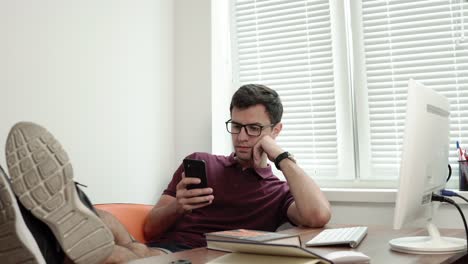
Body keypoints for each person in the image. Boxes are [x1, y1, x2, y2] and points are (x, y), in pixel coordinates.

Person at [143, 84, 331, 251]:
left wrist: (281, 156)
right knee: (114, 229)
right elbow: (150, 229)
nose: (241, 137)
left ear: (275, 131)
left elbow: (318, 215)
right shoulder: (200, 162)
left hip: (214, 258)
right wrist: (177, 207)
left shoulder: (278, 192)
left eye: (254, 128)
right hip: (166, 251)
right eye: (236, 126)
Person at [0, 122, 165, 264]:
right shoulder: (185, 170)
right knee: (106, 224)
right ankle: (40, 234)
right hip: (162, 243)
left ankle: (43, 242)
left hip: (175, 253)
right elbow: (150, 228)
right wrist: (179, 205)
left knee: (127, 253)